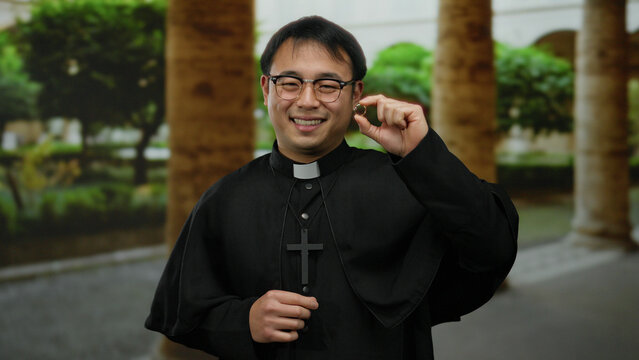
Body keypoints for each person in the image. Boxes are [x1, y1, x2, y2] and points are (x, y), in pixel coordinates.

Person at [145, 15, 518, 360]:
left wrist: (422, 155)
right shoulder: (225, 198)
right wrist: (244, 320)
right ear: (266, 89)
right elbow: (180, 311)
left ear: (357, 94)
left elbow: (493, 247)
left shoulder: (408, 183)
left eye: (327, 85)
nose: (307, 101)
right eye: (289, 83)